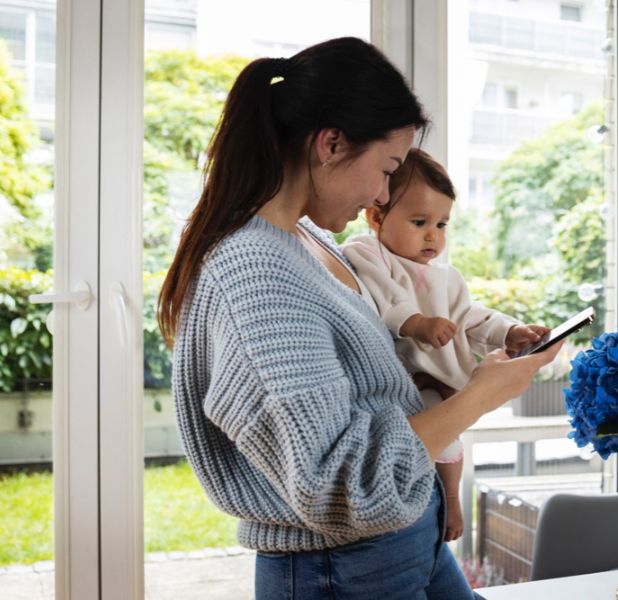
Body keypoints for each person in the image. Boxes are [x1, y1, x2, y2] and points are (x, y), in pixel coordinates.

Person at [157, 37, 562, 600]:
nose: (381, 193)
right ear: (330, 144)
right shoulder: (256, 271)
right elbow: (341, 483)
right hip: (342, 565)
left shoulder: (307, 239)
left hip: (401, 538)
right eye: (387, 168)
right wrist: (478, 396)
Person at [341, 148, 550, 543]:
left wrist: (509, 332)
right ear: (376, 216)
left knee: (449, 435)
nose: (432, 235)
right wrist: (417, 322)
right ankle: (443, 501)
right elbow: (384, 298)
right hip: (402, 377)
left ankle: (451, 498)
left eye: (441, 224)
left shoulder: (446, 277)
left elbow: (469, 315)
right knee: (431, 436)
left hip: (438, 378)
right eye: (419, 222)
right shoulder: (366, 252)